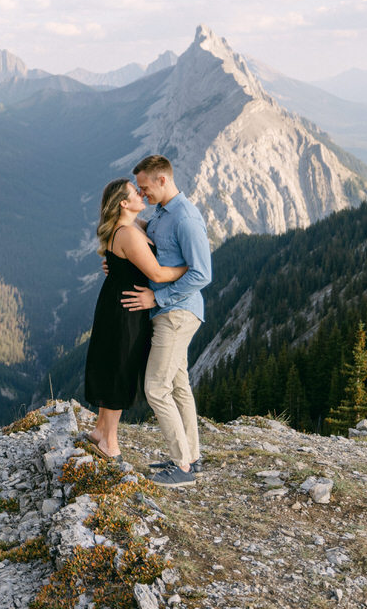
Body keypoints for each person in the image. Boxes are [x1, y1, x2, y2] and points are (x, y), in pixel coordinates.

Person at [120, 154, 212, 487]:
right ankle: (191, 457)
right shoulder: (162, 213)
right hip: (171, 311)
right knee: (177, 385)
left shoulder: (186, 218)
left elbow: (202, 273)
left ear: (163, 180)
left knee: (156, 388)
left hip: (177, 313)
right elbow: (148, 239)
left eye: (145, 188)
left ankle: (182, 469)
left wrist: (157, 297)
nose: (143, 195)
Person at [84, 178, 187, 461]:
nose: (141, 194)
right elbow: (156, 274)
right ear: (123, 203)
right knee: (120, 370)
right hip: (126, 309)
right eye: (135, 192)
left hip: (120, 304)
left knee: (114, 365)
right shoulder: (128, 232)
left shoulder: (134, 226)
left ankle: (100, 431)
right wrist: (190, 268)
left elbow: (121, 261)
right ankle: (109, 443)